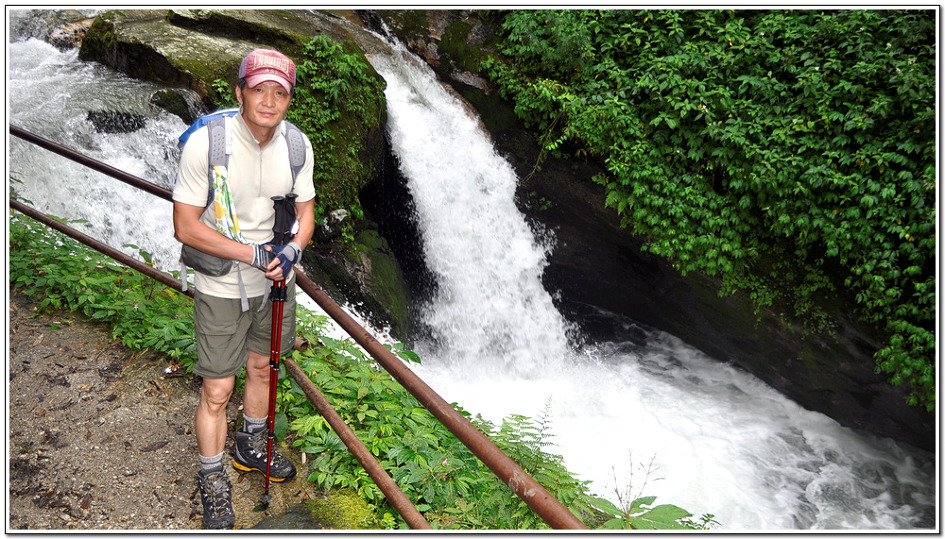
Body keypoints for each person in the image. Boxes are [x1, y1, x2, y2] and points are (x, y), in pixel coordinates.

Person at [172, 48, 316, 529]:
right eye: (259, 90)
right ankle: (212, 478)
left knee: (262, 368)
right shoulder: (207, 145)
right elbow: (185, 226)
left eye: (280, 93)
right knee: (217, 389)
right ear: (240, 93)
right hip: (220, 284)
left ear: (289, 100)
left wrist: (293, 250)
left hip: (277, 282)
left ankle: (251, 445)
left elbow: (306, 212)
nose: (269, 101)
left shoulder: (297, 147)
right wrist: (251, 254)